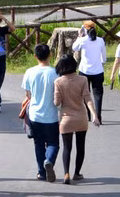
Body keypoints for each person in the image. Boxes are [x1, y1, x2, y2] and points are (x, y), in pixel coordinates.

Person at [54, 53, 99, 184]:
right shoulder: (83, 79)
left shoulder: (58, 82)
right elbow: (88, 99)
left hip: (66, 119)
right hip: (81, 118)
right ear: (74, 65)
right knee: (80, 147)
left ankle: (66, 173)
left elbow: (57, 102)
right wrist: (94, 115)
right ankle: (77, 173)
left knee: (67, 147)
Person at [23, 43, 61, 182]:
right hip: (51, 115)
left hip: (35, 114)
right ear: (50, 55)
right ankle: (49, 160)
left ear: (35, 56)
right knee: (53, 143)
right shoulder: (55, 73)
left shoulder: (29, 72)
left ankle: (41, 173)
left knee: (38, 144)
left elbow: (28, 95)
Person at [71, 20, 107, 123]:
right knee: (98, 95)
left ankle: (89, 116)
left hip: (84, 71)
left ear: (84, 29)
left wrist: (79, 36)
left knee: (85, 94)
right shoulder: (100, 40)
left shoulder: (83, 40)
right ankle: (98, 116)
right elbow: (104, 58)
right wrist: (101, 63)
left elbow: (74, 48)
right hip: (98, 71)